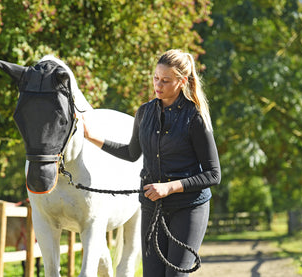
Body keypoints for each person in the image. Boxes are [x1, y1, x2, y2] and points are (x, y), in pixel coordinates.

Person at [83, 49, 221, 276]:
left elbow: (213, 174)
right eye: (156, 78)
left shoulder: (195, 117)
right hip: (152, 206)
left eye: (166, 80)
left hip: (188, 207)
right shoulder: (144, 113)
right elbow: (131, 153)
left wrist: (169, 187)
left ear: (181, 81)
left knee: (175, 275)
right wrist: (92, 137)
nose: (158, 84)